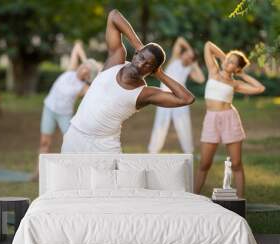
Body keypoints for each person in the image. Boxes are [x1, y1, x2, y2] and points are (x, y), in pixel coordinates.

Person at [61, 9, 195, 153]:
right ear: (136, 53)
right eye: (142, 57)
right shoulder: (115, 60)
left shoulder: (144, 94)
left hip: (104, 147)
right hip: (75, 136)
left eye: (148, 65)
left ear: (151, 72)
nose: (141, 64)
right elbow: (113, 16)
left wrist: (160, 74)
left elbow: (187, 99)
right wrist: (139, 46)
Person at [194, 41, 265, 198]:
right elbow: (208, 46)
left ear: (237, 69)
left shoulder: (235, 83)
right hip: (211, 120)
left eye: (233, 62)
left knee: (237, 164)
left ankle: (240, 201)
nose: (228, 62)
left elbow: (260, 88)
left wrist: (243, 74)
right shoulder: (213, 71)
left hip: (229, 120)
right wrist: (225, 57)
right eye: (228, 59)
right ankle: (193, 198)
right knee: (204, 163)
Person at [31, 42, 99, 180]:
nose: (82, 68)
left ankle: (74, 173)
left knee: (71, 144)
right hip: (49, 109)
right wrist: (88, 62)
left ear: (88, 76)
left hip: (64, 115)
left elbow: (97, 86)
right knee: (44, 143)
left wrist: (94, 69)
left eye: (86, 70)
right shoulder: (70, 70)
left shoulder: (83, 88)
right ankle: (37, 173)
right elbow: (77, 46)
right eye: (83, 66)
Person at [148, 37, 205, 154]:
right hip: (164, 96)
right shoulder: (175, 59)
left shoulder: (189, 68)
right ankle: (153, 151)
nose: (186, 57)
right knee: (160, 124)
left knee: (184, 125)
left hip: (181, 99)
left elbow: (201, 79)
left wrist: (194, 64)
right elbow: (179, 40)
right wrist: (190, 51)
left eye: (190, 57)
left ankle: (188, 151)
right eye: (186, 54)